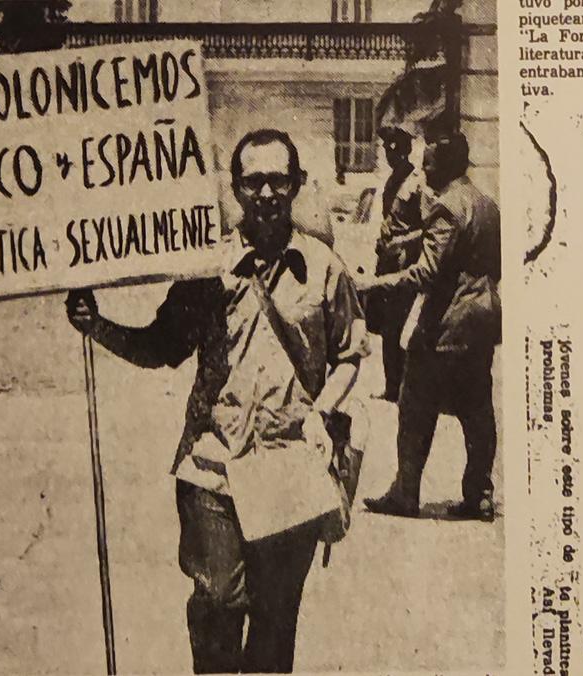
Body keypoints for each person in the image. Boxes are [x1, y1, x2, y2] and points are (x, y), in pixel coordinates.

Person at [67, 129, 367, 673]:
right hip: (214, 468)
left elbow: (350, 354)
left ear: (298, 184)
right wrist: (99, 327)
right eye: (255, 181)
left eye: (280, 180)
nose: (268, 193)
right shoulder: (207, 268)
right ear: (235, 189)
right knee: (219, 602)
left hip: (289, 468)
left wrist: (324, 413)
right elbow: (162, 347)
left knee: (276, 624)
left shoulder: (325, 268)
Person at [357, 130, 501, 521]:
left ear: (448, 167)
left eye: (429, 165)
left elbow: (426, 273)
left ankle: (405, 493)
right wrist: (413, 237)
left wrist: (375, 282)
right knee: (477, 408)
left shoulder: (447, 206)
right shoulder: (486, 204)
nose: (423, 171)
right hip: (483, 320)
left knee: (414, 401)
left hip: (448, 324)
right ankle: (480, 495)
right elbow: (464, 244)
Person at [366, 127, 425, 402]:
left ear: (402, 150)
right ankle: (393, 388)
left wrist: (401, 244)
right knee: (388, 329)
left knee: (402, 328)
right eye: (386, 150)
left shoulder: (417, 181)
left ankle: (406, 390)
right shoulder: (393, 179)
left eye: (392, 150)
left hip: (405, 265)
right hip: (387, 262)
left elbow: (427, 229)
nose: (388, 155)